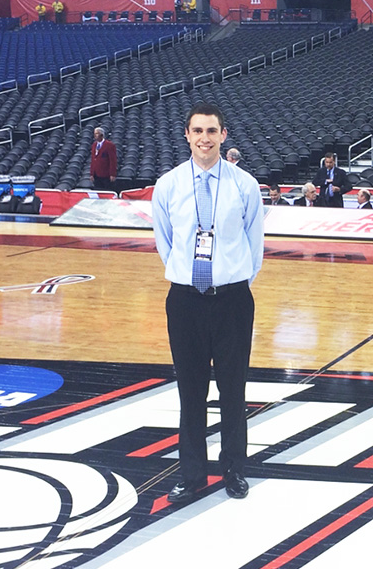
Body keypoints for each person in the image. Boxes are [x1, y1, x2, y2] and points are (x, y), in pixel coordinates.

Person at [151, 103, 264, 504]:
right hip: (184, 302)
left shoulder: (244, 185)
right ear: (186, 135)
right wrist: (189, 276)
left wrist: (229, 281)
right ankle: (192, 474)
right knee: (191, 391)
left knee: (233, 390)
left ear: (223, 135)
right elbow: (165, 242)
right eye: (197, 131)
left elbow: (255, 244)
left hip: (232, 300)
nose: (204, 138)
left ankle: (234, 469)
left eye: (211, 131)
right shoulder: (168, 185)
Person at [90, 126, 117, 191]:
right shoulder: (94, 145)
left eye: (96, 133)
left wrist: (112, 174)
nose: (95, 135)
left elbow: (113, 160)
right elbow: (93, 160)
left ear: (101, 135)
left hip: (106, 174)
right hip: (96, 174)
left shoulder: (109, 145)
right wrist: (91, 173)